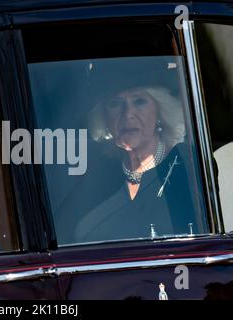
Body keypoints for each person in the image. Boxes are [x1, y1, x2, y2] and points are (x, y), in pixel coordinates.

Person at [71, 58, 208, 243]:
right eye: (115, 104)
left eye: (139, 101)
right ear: (104, 117)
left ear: (160, 111)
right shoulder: (97, 175)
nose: (128, 114)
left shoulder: (188, 165)